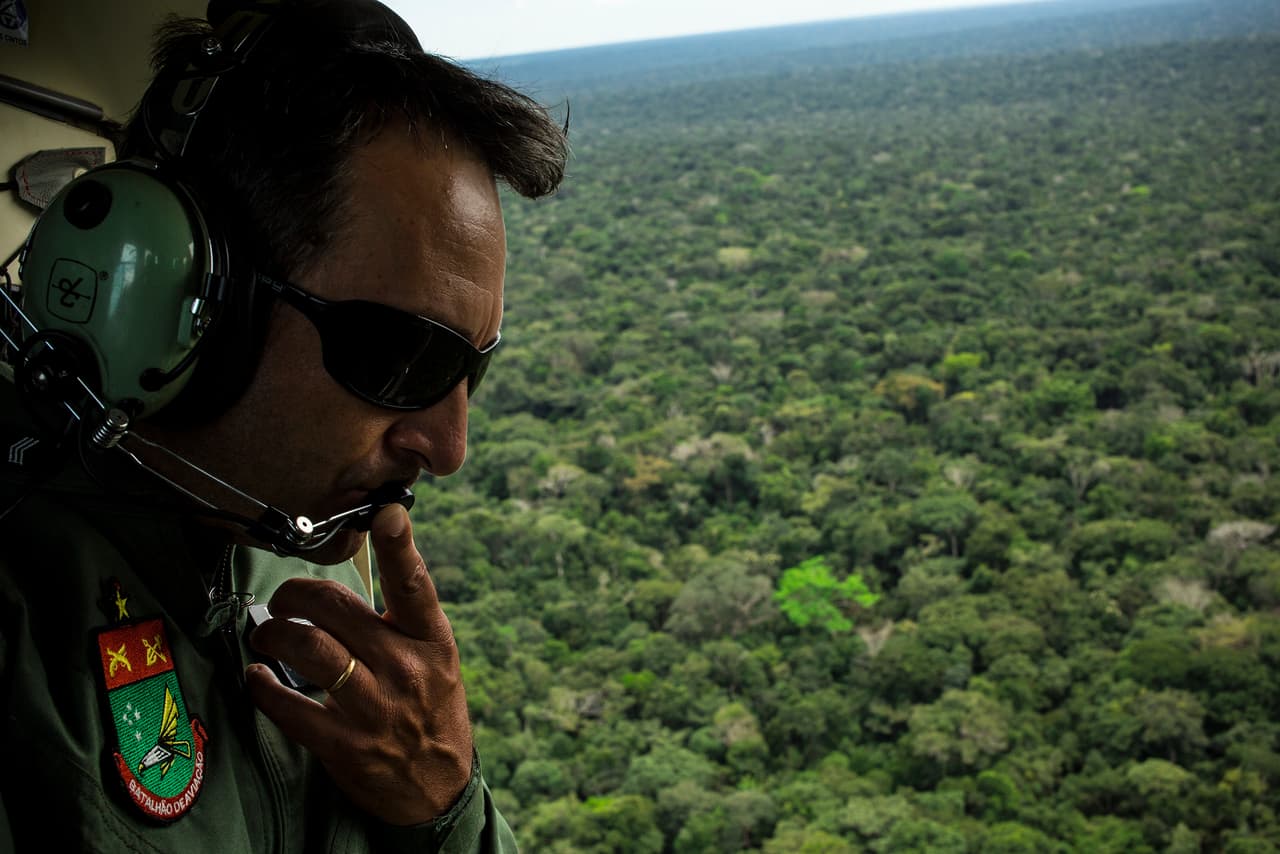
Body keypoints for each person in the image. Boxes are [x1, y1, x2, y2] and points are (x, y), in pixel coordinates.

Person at [0, 0, 568, 850]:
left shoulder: (305, 547)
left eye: (470, 368)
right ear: (197, 302)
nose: (447, 450)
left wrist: (442, 807)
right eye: (403, 360)